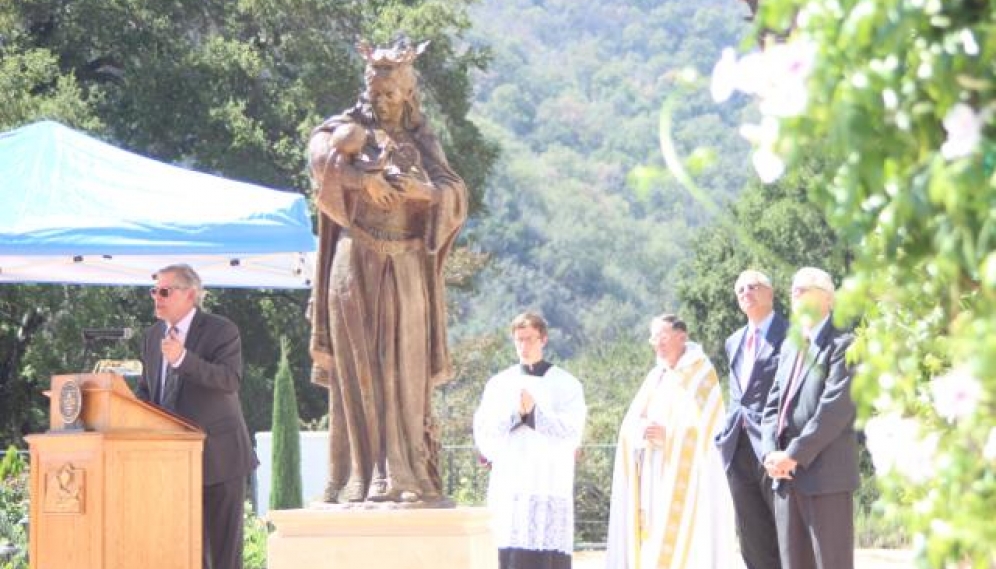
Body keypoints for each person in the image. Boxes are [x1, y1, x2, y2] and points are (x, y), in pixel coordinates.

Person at [306, 37, 468, 504]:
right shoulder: (346, 130)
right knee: (360, 368)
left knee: (406, 369)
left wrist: (423, 193)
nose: (382, 100)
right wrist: (363, 181)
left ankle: (408, 473)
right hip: (355, 261)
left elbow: (454, 191)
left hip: (408, 263)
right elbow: (320, 159)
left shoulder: (421, 139)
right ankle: (360, 475)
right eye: (376, 91)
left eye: (391, 92)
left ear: (409, 92)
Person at [135, 263, 257, 569]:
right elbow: (148, 393)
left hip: (219, 460)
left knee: (223, 557)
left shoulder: (221, 330)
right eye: (154, 290)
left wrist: (184, 359)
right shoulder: (151, 337)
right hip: (171, 465)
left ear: (190, 294)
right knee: (184, 553)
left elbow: (229, 380)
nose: (156, 297)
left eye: (164, 291)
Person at [605, 314, 740, 569]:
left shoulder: (700, 373)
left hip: (689, 478)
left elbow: (710, 428)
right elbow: (631, 423)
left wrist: (670, 437)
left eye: (663, 337)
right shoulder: (657, 375)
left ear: (682, 336)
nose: (657, 344)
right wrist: (641, 430)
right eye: (654, 338)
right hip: (653, 471)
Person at [760, 267, 857, 569]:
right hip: (786, 479)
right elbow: (771, 408)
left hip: (826, 478)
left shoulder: (846, 344)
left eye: (803, 289)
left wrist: (793, 455)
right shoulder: (791, 345)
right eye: (793, 289)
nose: (795, 294)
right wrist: (769, 454)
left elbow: (834, 410)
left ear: (827, 298)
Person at [473, 312, 586, 569]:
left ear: (543, 340)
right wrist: (516, 415)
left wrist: (535, 415)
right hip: (511, 481)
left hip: (548, 481)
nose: (524, 346)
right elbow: (484, 429)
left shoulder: (566, 384)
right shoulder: (499, 384)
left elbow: (572, 429)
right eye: (519, 340)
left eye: (530, 339)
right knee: (509, 553)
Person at [715, 269, 787, 569]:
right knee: (751, 537)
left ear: (770, 294)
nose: (746, 292)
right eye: (740, 290)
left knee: (785, 532)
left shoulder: (791, 335)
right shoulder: (734, 341)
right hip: (737, 446)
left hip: (775, 446)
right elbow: (738, 394)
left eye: (753, 286)